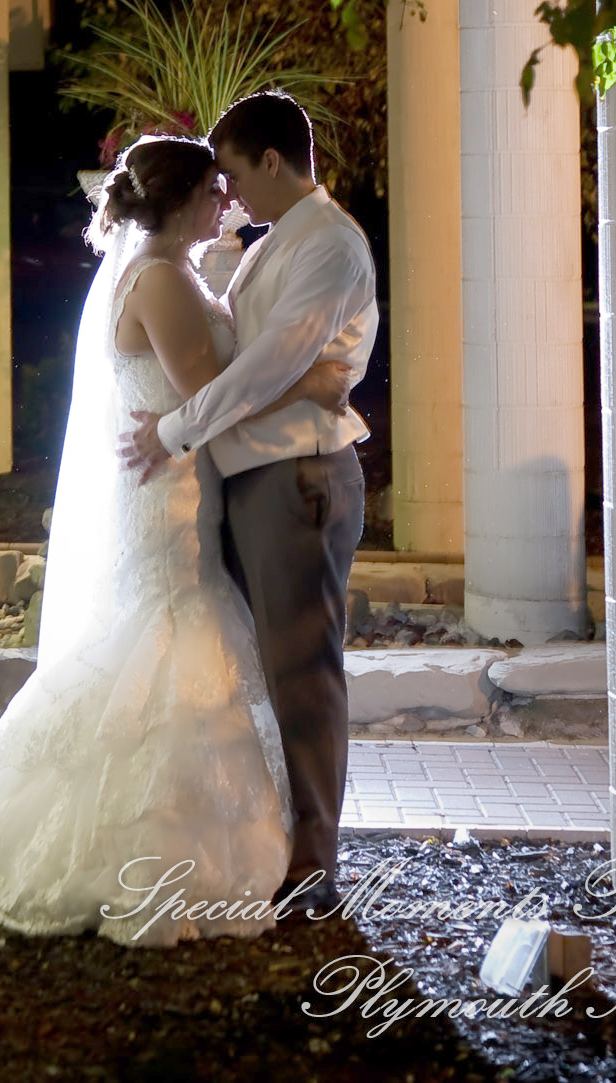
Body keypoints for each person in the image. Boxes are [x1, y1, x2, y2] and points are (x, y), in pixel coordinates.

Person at [0, 133, 350, 946]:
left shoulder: (162, 270)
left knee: (155, 652)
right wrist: (313, 379)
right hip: (170, 500)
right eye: (213, 191)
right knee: (167, 644)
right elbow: (208, 395)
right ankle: (149, 851)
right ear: (182, 199)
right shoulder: (160, 277)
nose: (226, 201)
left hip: (173, 487)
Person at [121, 91, 377, 919]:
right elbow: (258, 355)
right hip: (250, 478)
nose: (226, 191)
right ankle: (268, 840)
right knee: (258, 668)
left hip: (298, 478)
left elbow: (266, 366)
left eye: (232, 171)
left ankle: (313, 862)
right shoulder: (274, 244)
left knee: (304, 670)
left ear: (272, 161)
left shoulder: (331, 247)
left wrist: (175, 428)